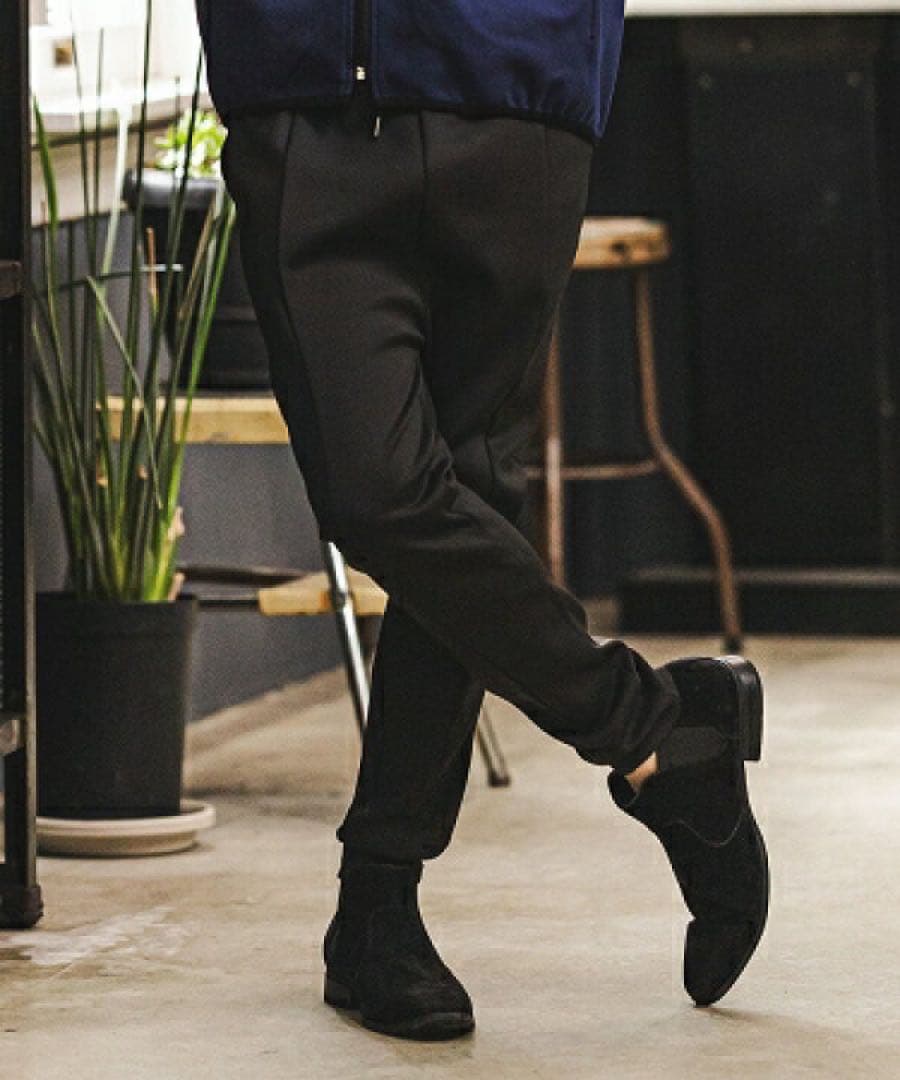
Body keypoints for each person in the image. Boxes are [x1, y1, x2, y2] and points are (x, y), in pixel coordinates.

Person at [195, 0, 769, 1041]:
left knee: (469, 491)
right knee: (379, 494)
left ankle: (377, 906)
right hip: (306, 93)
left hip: (518, 89)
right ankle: (655, 729)